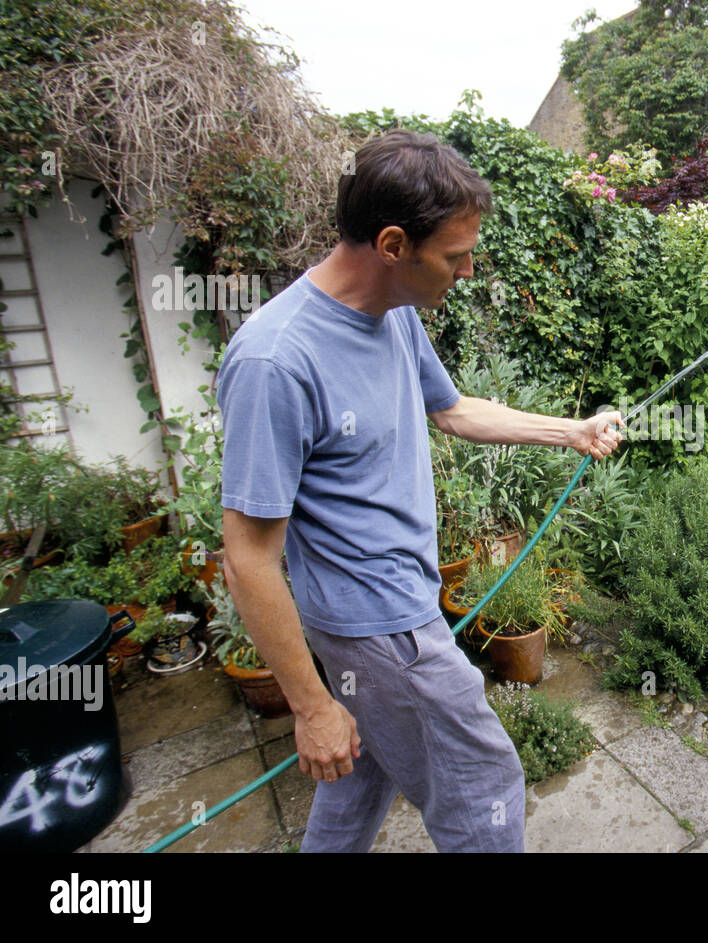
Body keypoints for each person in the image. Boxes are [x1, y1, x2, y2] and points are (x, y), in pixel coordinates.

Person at [216, 130, 623, 853]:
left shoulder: (393, 312)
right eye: (456, 256)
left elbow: (454, 409)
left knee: (358, 781)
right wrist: (311, 707)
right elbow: (247, 559)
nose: (467, 271)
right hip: (380, 631)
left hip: (397, 611)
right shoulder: (277, 359)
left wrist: (573, 431)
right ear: (394, 244)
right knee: (484, 787)